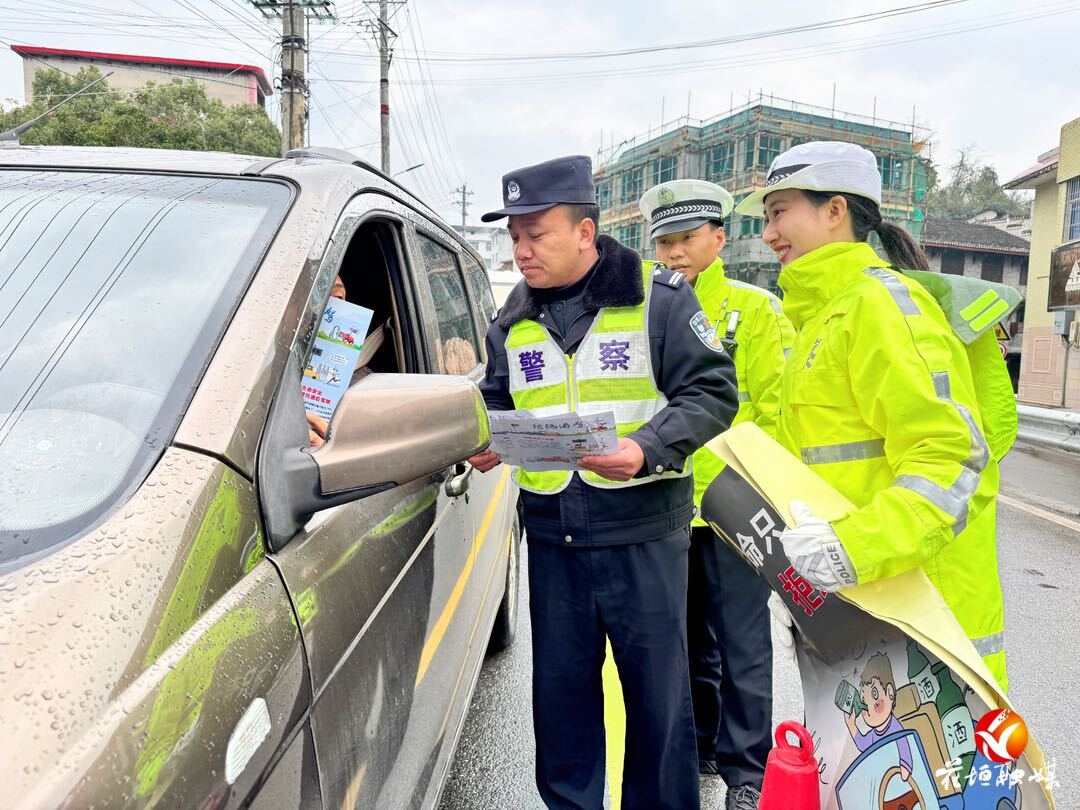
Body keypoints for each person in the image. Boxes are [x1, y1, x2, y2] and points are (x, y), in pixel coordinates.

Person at [468, 155, 739, 809]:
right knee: (561, 703)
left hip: (643, 533)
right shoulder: (513, 318)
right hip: (553, 539)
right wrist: (484, 438)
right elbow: (496, 399)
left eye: (537, 234)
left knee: (656, 704)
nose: (522, 249)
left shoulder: (661, 299)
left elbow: (711, 393)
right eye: (514, 237)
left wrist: (646, 450)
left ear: (585, 232)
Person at [735, 141, 1009, 689]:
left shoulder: (878, 307)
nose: (768, 234)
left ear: (835, 211)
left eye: (779, 211)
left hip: (924, 621)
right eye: (767, 217)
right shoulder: (823, 317)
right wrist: (797, 582)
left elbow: (950, 457)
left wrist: (850, 551)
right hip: (864, 607)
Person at [640, 179, 794, 808]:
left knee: (742, 642)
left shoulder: (753, 312)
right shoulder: (644, 312)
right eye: (664, 242)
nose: (675, 253)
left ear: (719, 237)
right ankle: (702, 741)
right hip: (664, 502)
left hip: (734, 504)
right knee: (682, 638)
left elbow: (776, 410)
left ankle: (747, 771)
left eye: (687, 238)